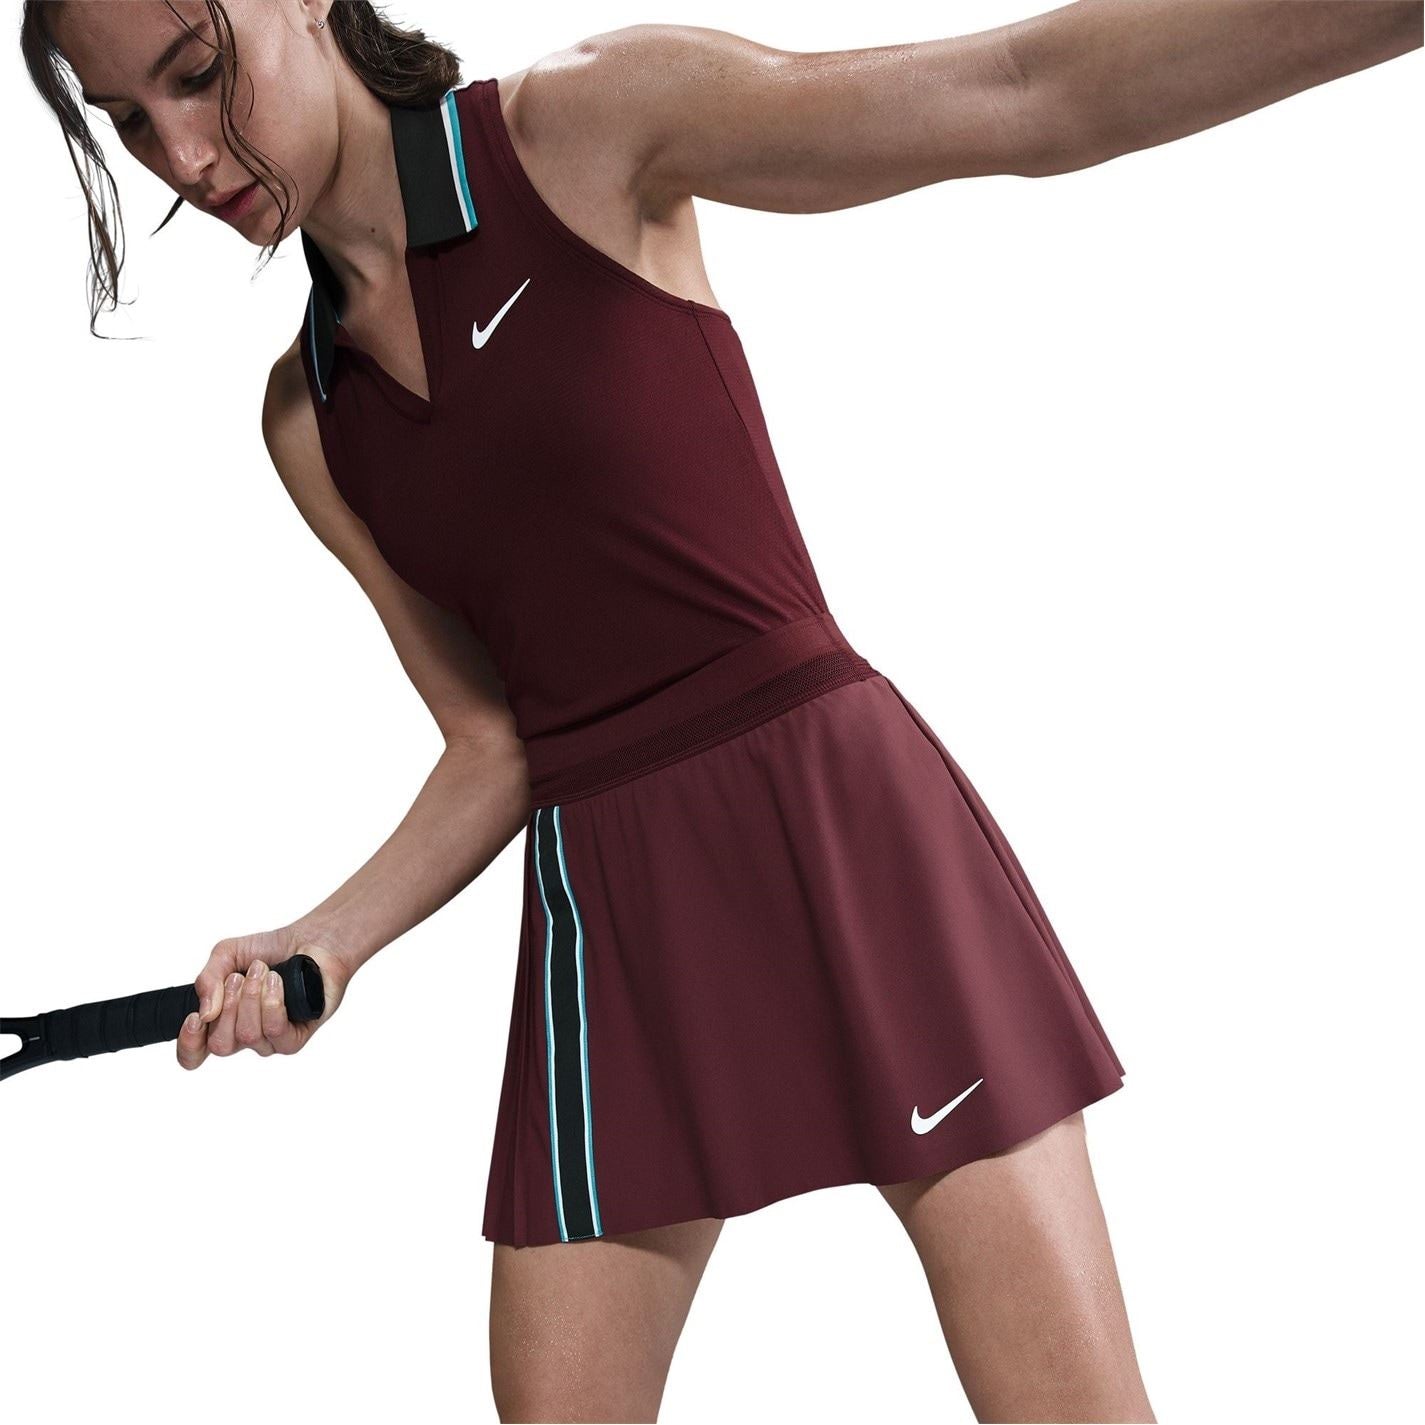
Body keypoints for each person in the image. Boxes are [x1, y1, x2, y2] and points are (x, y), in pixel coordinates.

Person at [22, 2, 1419, 1420]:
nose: (182, 157)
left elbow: (1023, 91)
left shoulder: (581, 130)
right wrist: (325, 938)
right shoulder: (310, 419)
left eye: (199, 75)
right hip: (608, 913)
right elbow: (495, 738)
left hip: (837, 831)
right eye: (129, 120)